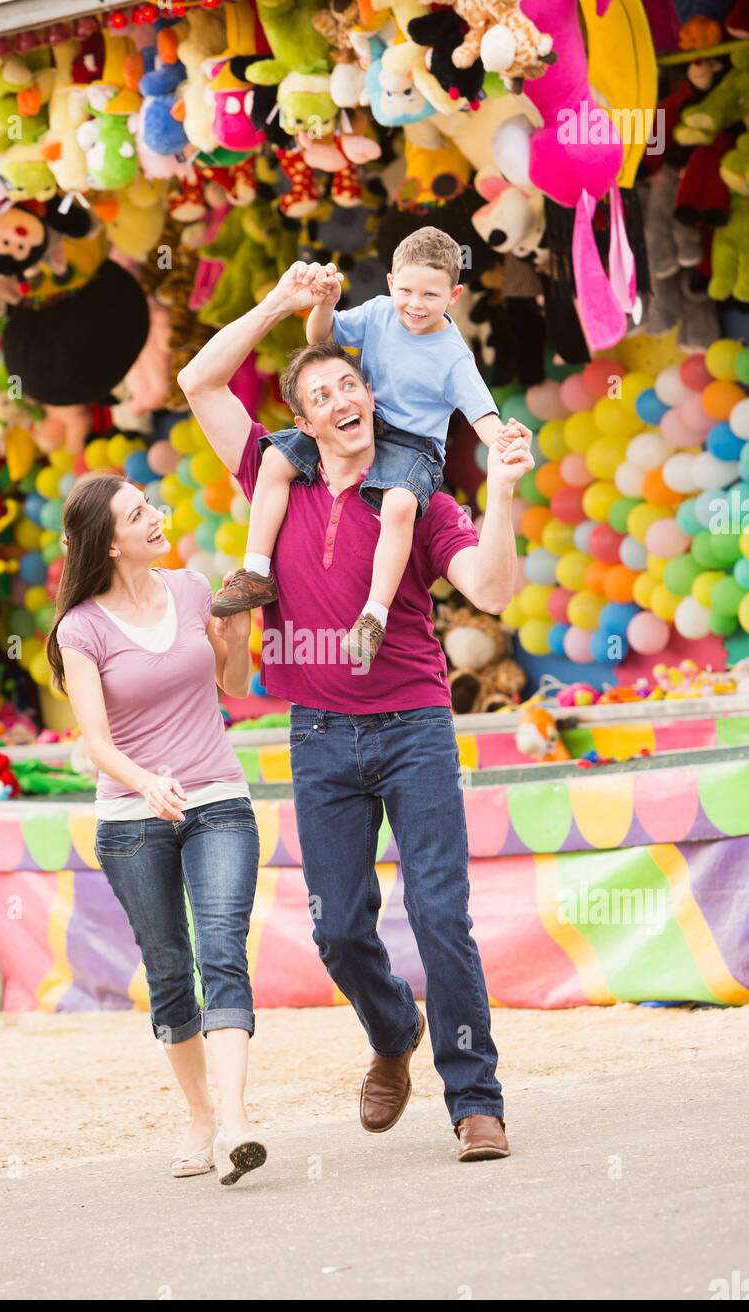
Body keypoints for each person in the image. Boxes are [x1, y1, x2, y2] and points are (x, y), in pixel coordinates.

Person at [178, 261, 535, 1163]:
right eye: (323, 391)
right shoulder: (274, 471)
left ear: (369, 398)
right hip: (320, 735)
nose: (344, 397)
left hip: (414, 724)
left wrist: (508, 487)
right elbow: (198, 381)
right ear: (301, 422)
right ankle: (391, 1033)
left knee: (441, 915)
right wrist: (284, 305)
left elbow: (493, 589)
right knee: (338, 928)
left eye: (352, 384)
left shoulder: (423, 496)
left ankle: (475, 1098)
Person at [45, 472, 266, 1186]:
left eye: (152, 506)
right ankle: (200, 1115)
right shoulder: (80, 629)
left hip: (218, 800)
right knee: (171, 969)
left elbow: (232, 687)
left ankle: (235, 1123)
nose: (157, 517)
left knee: (223, 950)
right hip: (134, 819)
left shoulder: (194, 589)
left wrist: (235, 640)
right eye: (140, 513)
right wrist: (147, 782)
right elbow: (96, 744)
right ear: (110, 541)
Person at [210, 227, 525, 669]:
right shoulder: (379, 312)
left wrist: (504, 445)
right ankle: (257, 571)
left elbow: (482, 415)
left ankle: (373, 618)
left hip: (414, 447)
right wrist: (325, 302)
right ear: (392, 283)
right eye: (407, 291)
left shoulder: (453, 357)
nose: (416, 305)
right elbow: (323, 339)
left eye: (430, 296)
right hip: (367, 420)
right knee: (276, 460)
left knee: (398, 506)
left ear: (453, 295)